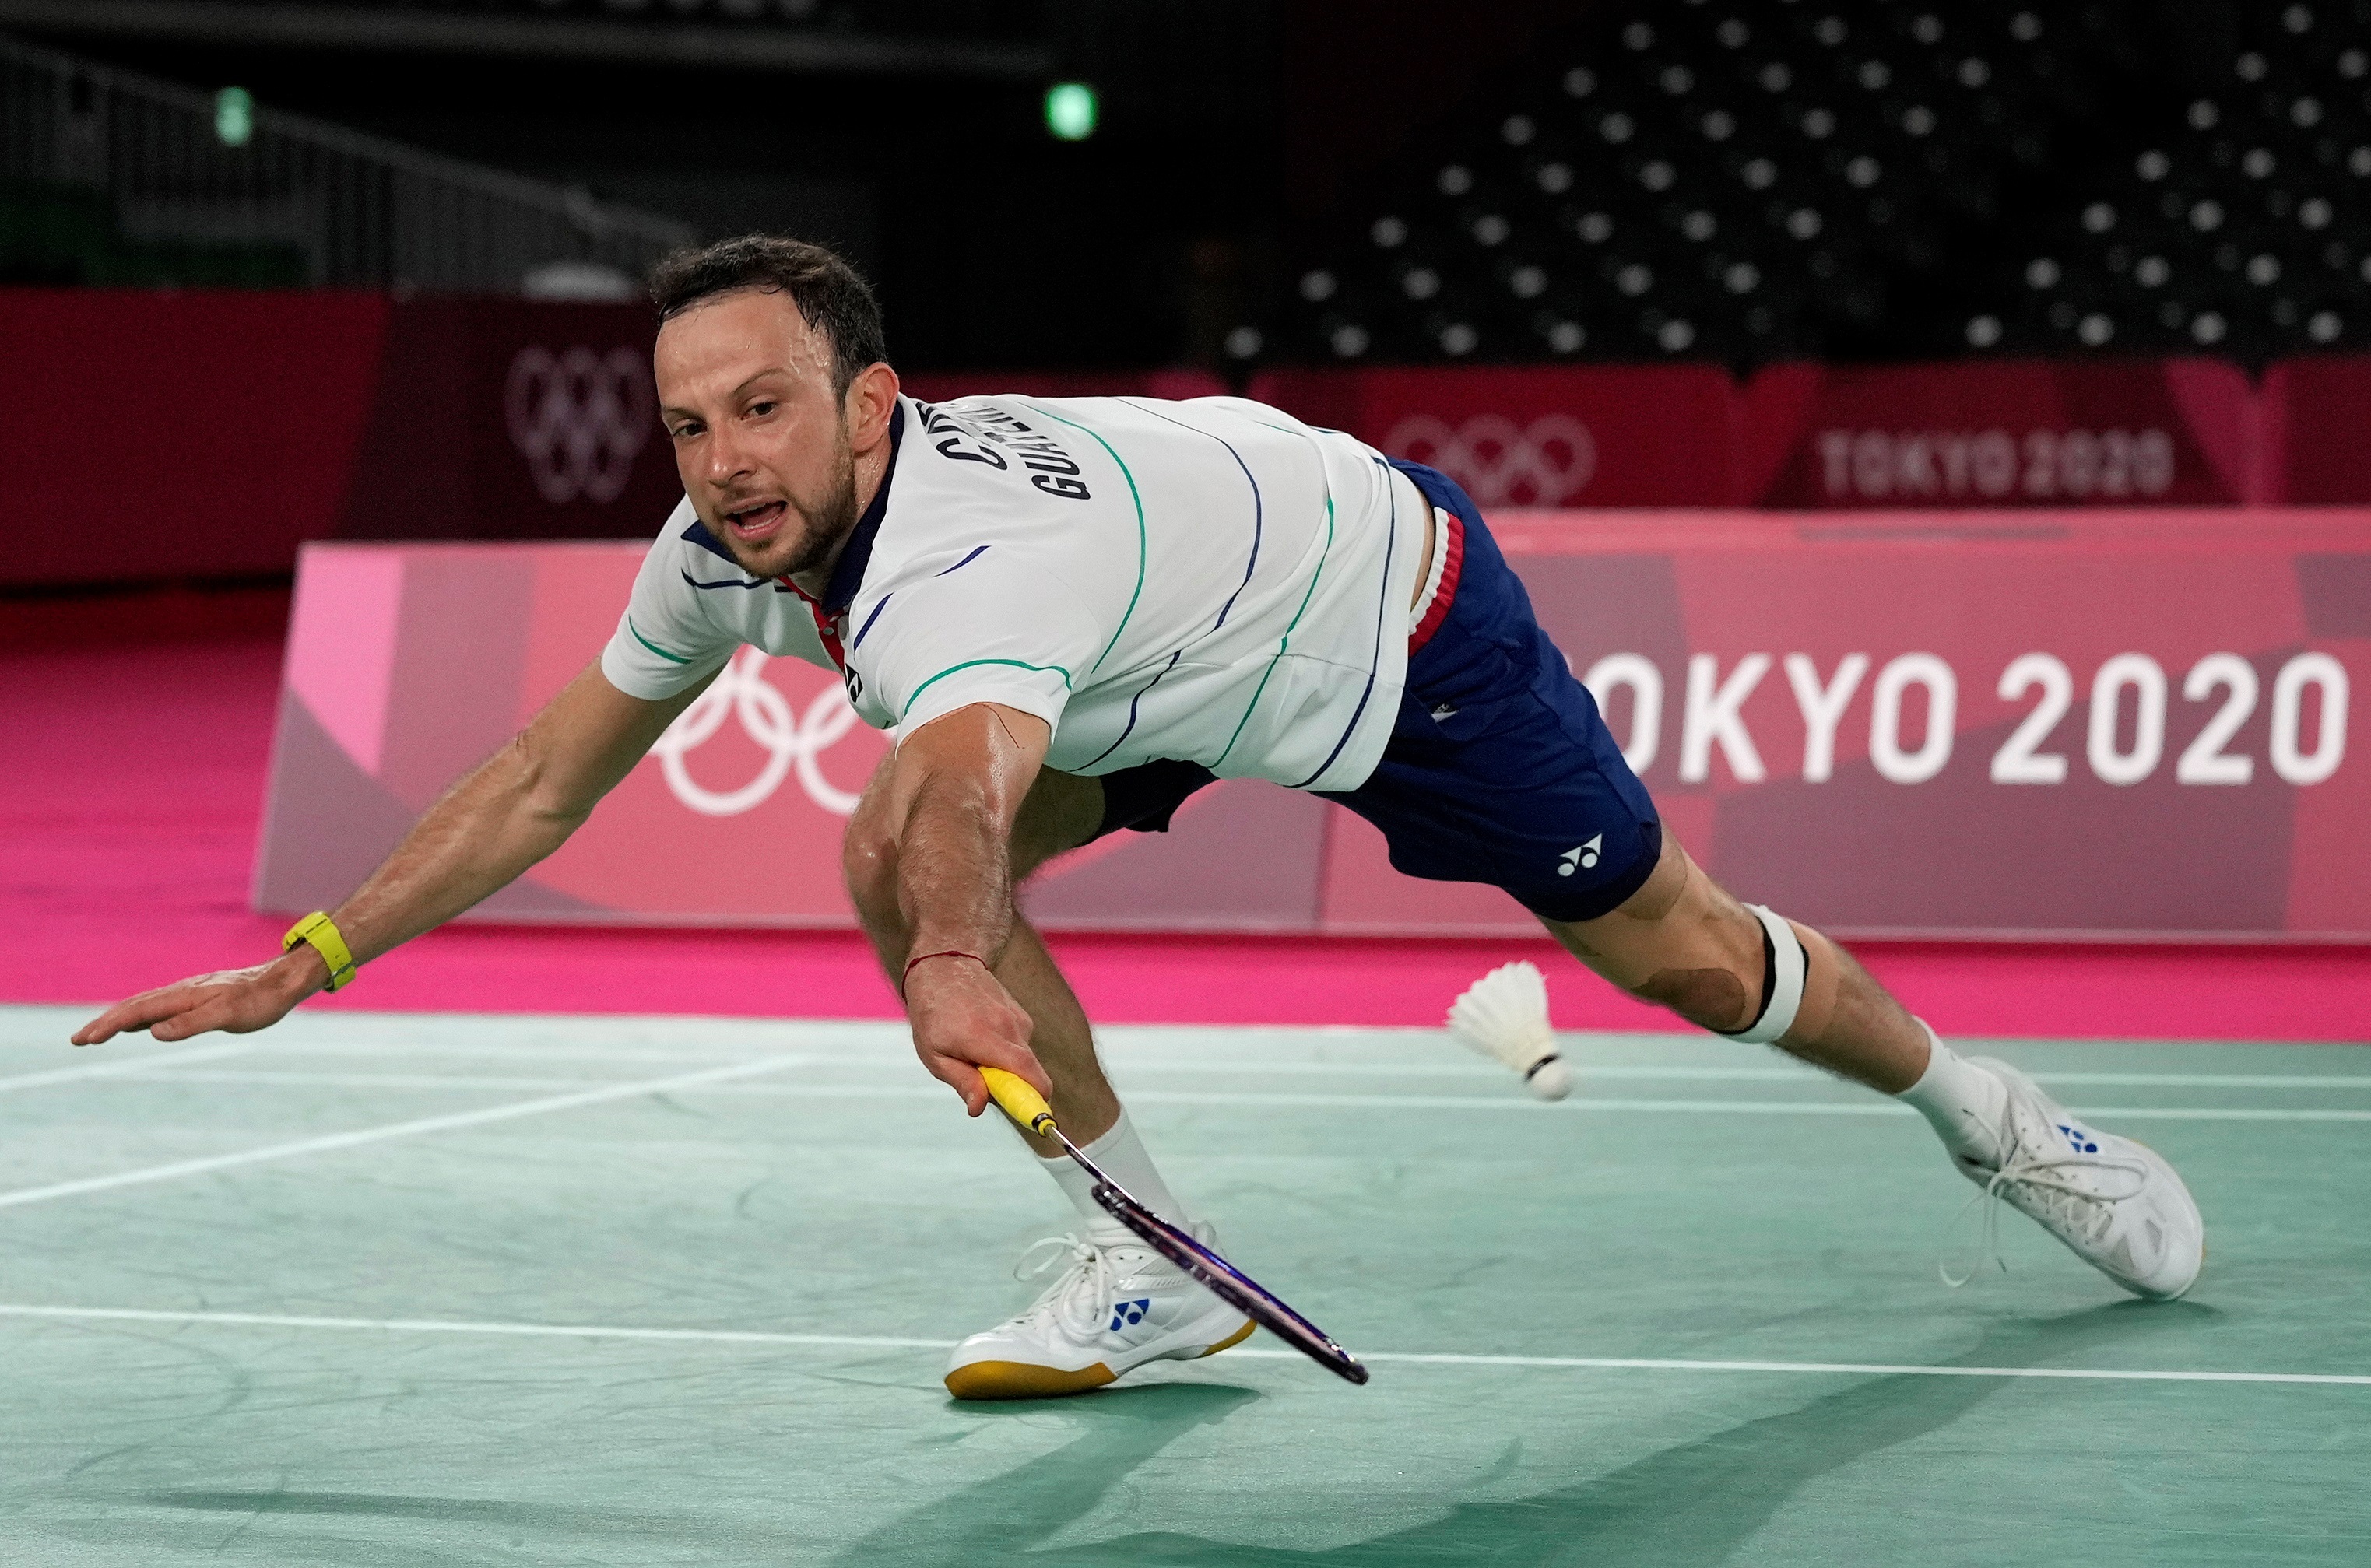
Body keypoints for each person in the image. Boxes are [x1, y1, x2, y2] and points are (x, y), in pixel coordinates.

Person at [72, 236, 2204, 1401]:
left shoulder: (966, 568)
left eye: (764, 409)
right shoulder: (722, 549)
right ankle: (1148, 1260)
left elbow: (973, 781)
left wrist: (940, 961)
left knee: (1680, 954)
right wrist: (314, 957)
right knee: (883, 846)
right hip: (1158, 659)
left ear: (873, 403)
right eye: (691, 421)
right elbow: (549, 769)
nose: (723, 458)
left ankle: (1994, 1116)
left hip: (1379, 624)